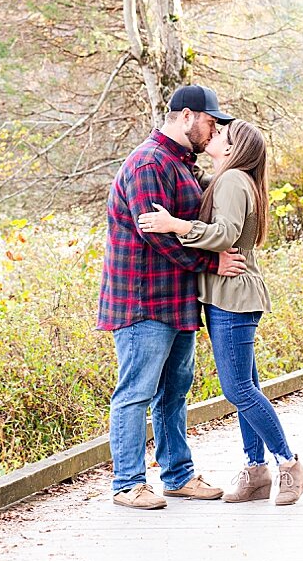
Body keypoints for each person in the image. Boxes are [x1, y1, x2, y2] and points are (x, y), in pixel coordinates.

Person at [139, 119, 303, 506]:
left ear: (233, 149)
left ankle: (289, 464)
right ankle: (255, 470)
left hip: (233, 298)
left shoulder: (233, 181)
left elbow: (227, 234)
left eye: (222, 136)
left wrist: (173, 225)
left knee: (238, 389)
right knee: (247, 387)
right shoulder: (231, 179)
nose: (214, 136)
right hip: (228, 295)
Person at [98, 85, 247, 511]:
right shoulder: (149, 162)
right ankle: (127, 484)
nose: (214, 128)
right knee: (135, 392)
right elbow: (155, 232)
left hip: (177, 300)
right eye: (210, 121)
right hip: (142, 300)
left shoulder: (181, 163)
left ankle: (178, 476)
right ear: (186, 116)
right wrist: (211, 265)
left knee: (174, 392)